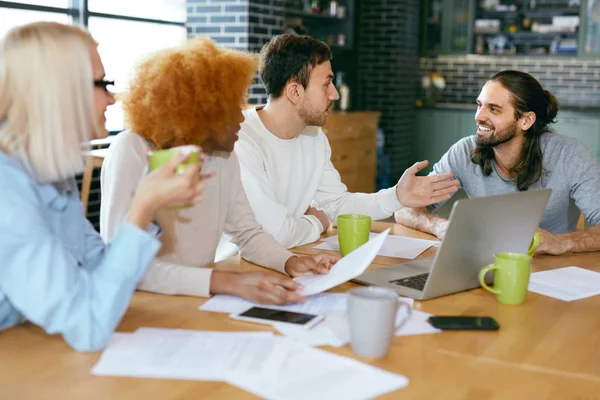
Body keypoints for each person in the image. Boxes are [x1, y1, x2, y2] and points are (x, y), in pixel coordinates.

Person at [0, 22, 206, 351]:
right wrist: (142, 206)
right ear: (60, 91)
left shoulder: (48, 172)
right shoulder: (6, 193)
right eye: (102, 84)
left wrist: (151, 201)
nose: (112, 98)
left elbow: (98, 267)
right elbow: (88, 325)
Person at [100, 38, 339, 305]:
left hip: (197, 298)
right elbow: (119, 262)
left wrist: (291, 262)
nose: (241, 117)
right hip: (143, 305)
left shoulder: (223, 157)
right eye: (230, 108)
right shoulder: (131, 149)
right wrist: (227, 282)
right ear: (199, 111)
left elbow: (248, 234)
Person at [234, 34, 460, 249]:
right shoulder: (240, 140)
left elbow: (335, 204)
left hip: (289, 257)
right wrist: (317, 222)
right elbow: (274, 235)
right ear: (295, 91)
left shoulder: (313, 137)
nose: (335, 94)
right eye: (326, 84)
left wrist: (397, 196)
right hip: (233, 268)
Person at [395, 70, 600, 255]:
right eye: (479, 105)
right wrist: (439, 226)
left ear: (526, 121)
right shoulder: (464, 152)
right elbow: (404, 209)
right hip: (483, 265)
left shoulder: (569, 155)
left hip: (552, 272)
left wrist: (562, 242)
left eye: (494, 109)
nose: (479, 116)